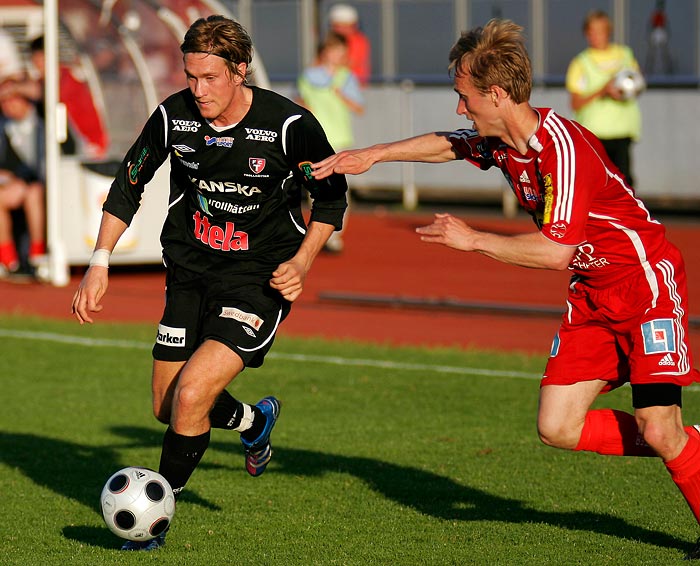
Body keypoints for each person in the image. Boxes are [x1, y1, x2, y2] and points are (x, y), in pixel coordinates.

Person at [312, 19, 700, 560]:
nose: (459, 108)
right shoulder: (504, 142)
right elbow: (448, 144)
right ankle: (683, 443)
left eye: (463, 96)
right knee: (557, 426)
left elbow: (554, 251)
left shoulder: (560, 150)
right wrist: (372, 155)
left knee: (660, 430)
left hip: (645, 285)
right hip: (593, 293)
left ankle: (681, 446)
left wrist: (472, 240)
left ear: (496, 94)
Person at [71, 15, 348, 551]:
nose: (197, 90)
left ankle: (154, 511)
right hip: (190, 273)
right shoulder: (174, 117)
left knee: (193, 394)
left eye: (210, 78)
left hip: (259, 279)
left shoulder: (289, 126)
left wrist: (304, 262)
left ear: (240, 71)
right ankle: (252, 419)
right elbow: (130, 183)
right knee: (166, 407)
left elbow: (332, 198)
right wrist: (99, 260)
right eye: (190, 76)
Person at [297, 31, 364, 253]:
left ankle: (335, 236)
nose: (340, 56)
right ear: (326, 52)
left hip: (339, 140)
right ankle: (319, 233)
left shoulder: (346, 77)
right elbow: (299, 100)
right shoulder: (307, 76)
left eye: (342, 53)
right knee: (314, 188)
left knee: (340, 188)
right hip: (315, 140)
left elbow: (359, 107)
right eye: (336, 51)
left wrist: (340, 94)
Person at [565, 10, 642, 187]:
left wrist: (622, 92)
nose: (595, 36)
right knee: (597, 183)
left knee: (624, 183)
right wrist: (603, 91)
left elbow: (637, 85)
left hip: (623, 131)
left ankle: (627, 215)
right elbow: (575, 103)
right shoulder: (581, 63)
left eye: (600, 30)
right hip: (593, 135)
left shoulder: (625, 55)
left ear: (608, 31)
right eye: (591, 31)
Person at [25, 36, 109, 158]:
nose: (37, 64)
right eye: (35, 59)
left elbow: (48, 93)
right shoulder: (44, 81)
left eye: (41, 58)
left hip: (89, 146)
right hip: (70, 145)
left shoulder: (67, 76)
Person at [0, 82, 47, 279]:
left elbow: (43, 90)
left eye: (11, 99)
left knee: (34, 193)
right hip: (19, 184)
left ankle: (38, 257)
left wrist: (15, 87)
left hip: (47, 183)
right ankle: (8, 261)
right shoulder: (4, 125)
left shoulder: (43, 115)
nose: (6, 105)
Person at [328, 3, 371, 87]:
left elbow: (351, 62)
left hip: (354, 86)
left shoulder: (359, 41)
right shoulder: (331, 41)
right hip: (335, 87)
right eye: (336, 26)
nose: (337, 29)